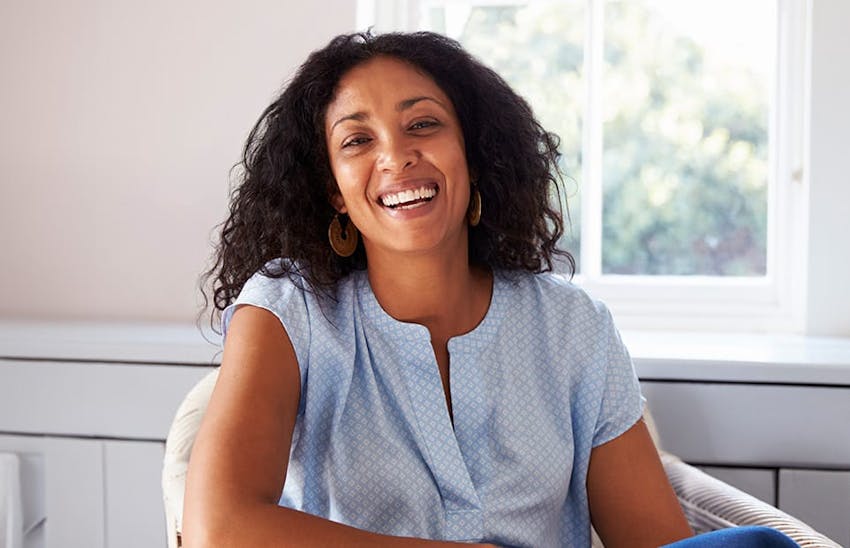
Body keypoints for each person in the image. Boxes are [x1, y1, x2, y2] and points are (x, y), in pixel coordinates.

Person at [183, 31, 797, 548]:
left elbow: (656, 544)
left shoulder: (572, 327)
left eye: (423, 124)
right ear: (334, 192)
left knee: (759, 547)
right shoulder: (288, 311)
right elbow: (218, 529)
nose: (397, 155)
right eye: (357, 140)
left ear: (473, 157)